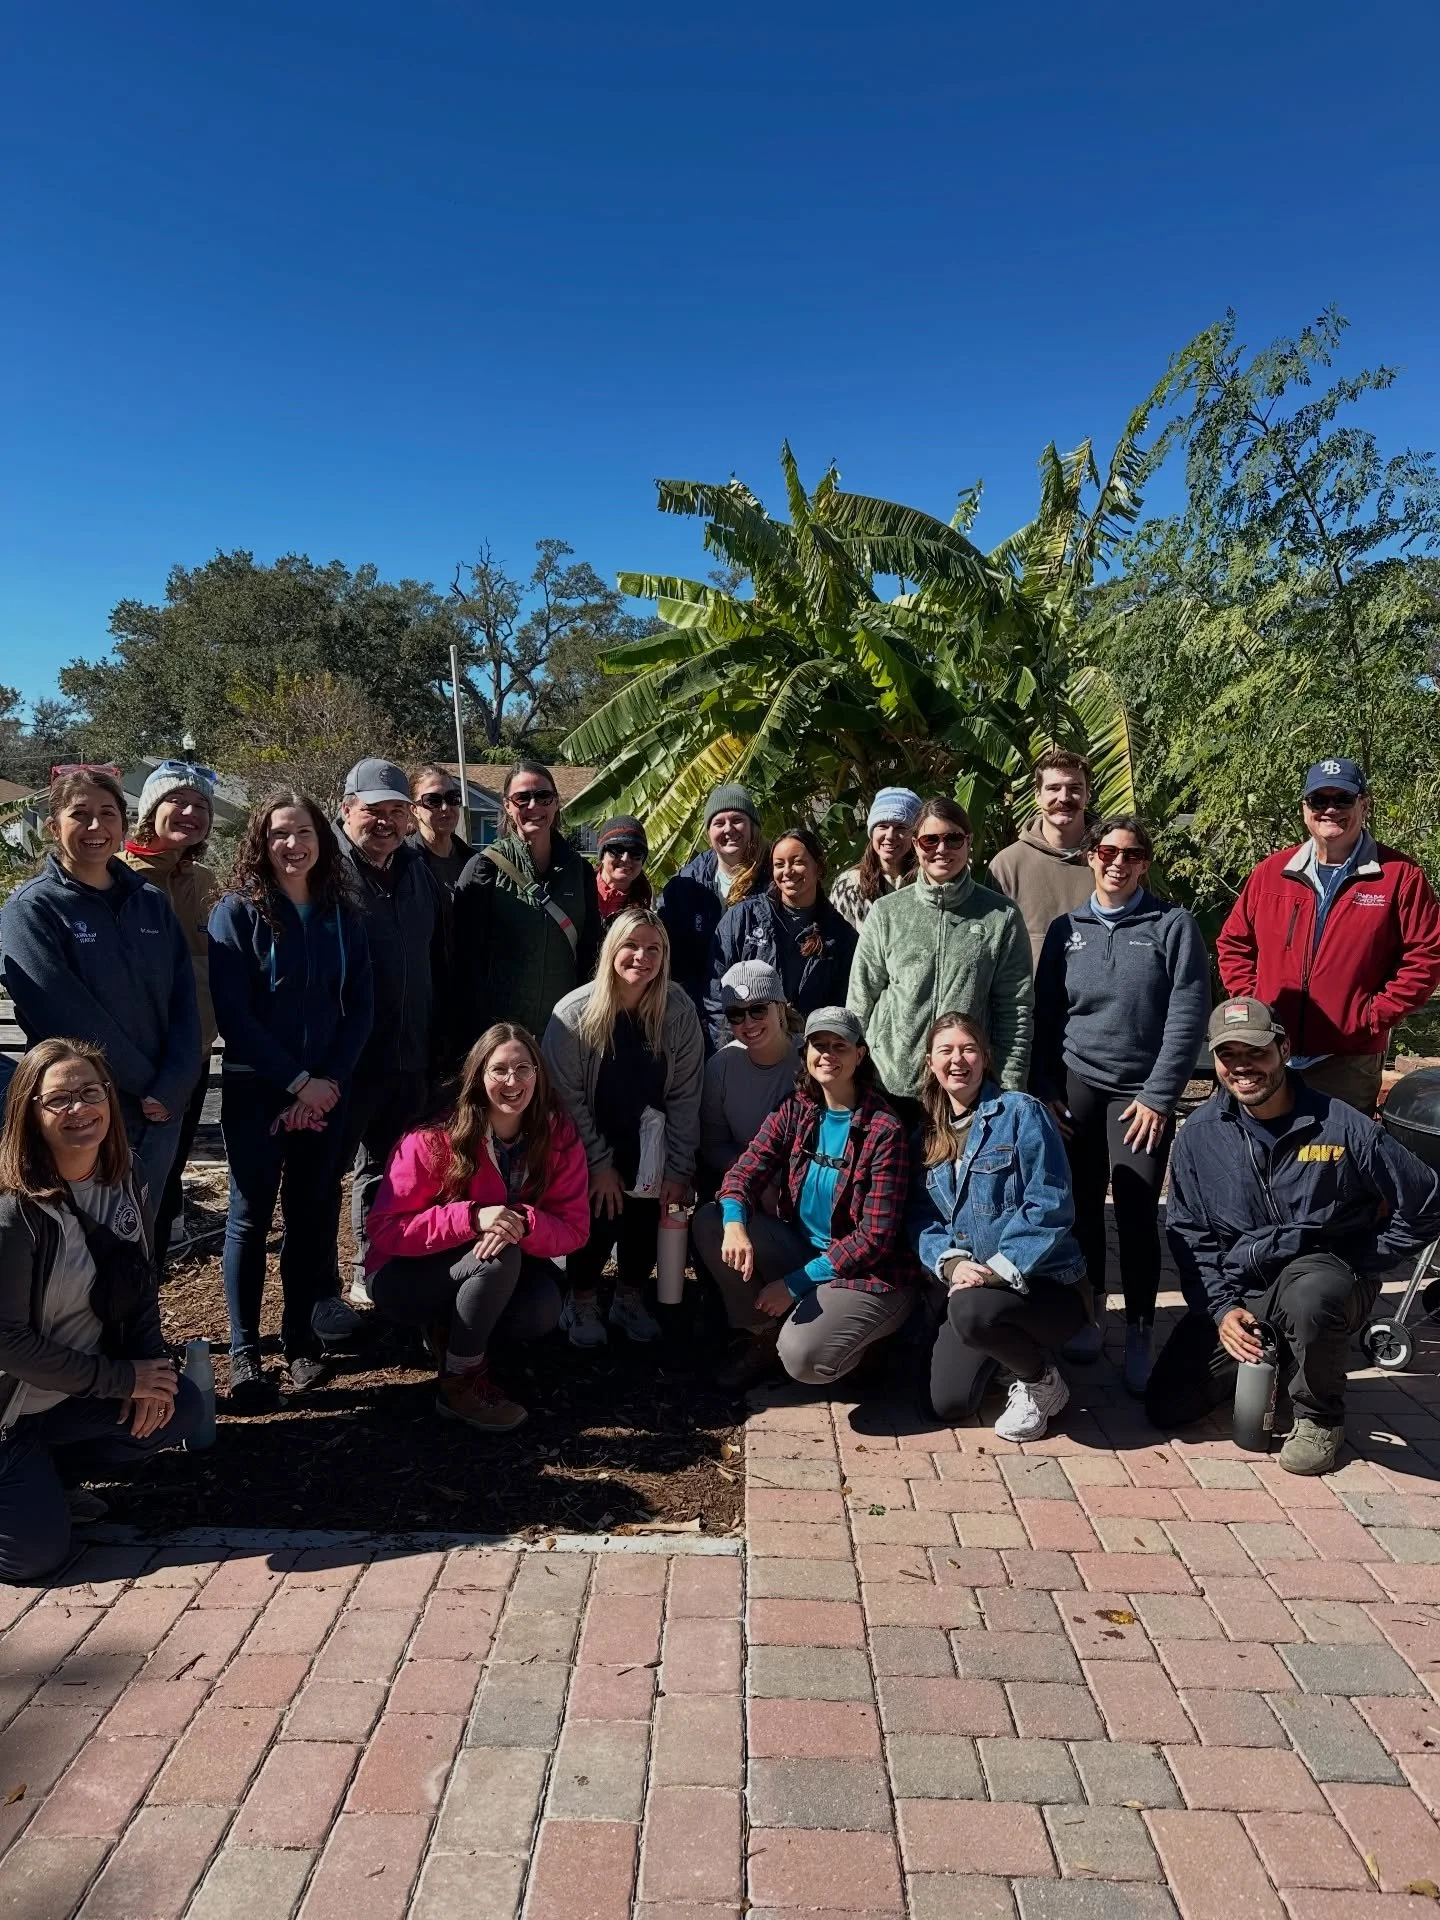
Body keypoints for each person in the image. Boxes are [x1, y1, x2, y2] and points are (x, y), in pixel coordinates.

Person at [1149, 997, 1440, 1474]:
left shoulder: (1342, 1125)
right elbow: (1189, 1233)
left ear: (1284, 1050)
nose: (1243, 1067)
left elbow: (1428, 1203)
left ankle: (1320, 1416)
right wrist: (1222, 1310)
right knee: (1169, 1406)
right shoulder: (1200, 1134)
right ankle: (1282, 1354)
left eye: (1256, 1053)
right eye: (1229, 1055)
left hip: (1323, 1279)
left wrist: (1364, 1259)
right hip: (1247, 1288)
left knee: (1313, 1292)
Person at [0, 1040, 201, 1582]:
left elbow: (138, 1286)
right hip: (6, 1410)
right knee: (32, 1560)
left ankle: (48, 1478)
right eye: (58, 1099)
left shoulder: (125, 1176)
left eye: (91, 1092)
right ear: (29, 1111)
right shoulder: (12, 1212)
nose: (79, 1109)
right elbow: (7, 1343)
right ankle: (27, 1482)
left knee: (178, 1408)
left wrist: (148, 1372)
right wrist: (118, 1379)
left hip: (64, 1397)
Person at [1033, 816, 1210, 1392]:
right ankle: (1088, 1314)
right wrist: (1048, 1088)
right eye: (1107, 851)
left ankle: (1139, 1327)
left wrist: (1161, 1096)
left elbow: (1186, 1017)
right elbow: (1047, 1015)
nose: (1117, 862)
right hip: (1077, 1084)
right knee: (1081, 1206)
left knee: (1135, 1208)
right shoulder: (1067, 928)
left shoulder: (1172, 925)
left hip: (1141, 1093)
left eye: (1131, 855)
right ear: (1090, 857)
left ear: (1144, 864)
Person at [208, 791, 374, 1401]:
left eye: (303, 832)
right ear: (261, 842)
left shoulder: (342, 914)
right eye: (279, 834)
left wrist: (326, 1082)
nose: (292, 845)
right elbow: (236, 1013)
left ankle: (301, 1343)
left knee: (311, 1219)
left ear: (322, 839)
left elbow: (361, 1008)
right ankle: (246, 1354)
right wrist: (296, 1082)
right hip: (260, 1090)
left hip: (329, 1093)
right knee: (250, 1220)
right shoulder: (238, 913)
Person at [367, 1024, 589, 1431]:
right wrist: (472, 1217)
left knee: (542, 1310)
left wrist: (521, 1220)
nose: (512, 1081)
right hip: (406, 1276)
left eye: (524, 1068)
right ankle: (459, 1383)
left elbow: (574, 1228)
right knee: (498, 1255)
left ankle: (455, 1335)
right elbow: (385, 1229)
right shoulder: (433, 1137)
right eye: (499, 1070)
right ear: (478, 1076)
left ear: (539, 1075)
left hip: (490, 1265)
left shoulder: (557, 1133)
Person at [1, 770, 199, 1204]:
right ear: (53, 827)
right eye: (80, 815)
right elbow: (59, 1010)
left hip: (161, 1108)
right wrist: (143, 1084)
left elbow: (185, 998)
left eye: (108, 814)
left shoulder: (149, 901)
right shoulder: (32, 909)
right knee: (81, 1241)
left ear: (123, 825)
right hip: (82, 1110)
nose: (96, 827)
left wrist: (174, 1084)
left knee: (144, 1235)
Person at [700, 1007, 915, 1391]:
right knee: (709, 1222)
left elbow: (874, 1239)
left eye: (840, 1046)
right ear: (806, 1054)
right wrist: (734, 1223)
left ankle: (869, 1348)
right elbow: (745, 1170)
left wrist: (795, 1283)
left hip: (867, 1275)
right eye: (818, 1045)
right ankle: (765, 1335)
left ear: (860, 1055)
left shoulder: (884, 1129)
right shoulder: (798, 1108)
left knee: (804, 1360)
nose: (827, 1054)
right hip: (803, 1249)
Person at [1216, 758, 1440, 1115]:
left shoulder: (1400, 876)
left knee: (1335, 1160)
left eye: (1343, 800)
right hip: (1269, 1051)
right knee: (1262, 1154)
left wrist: (1371, 1016)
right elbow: (1233, 943)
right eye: (1320, 801)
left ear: (1364, 805)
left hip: (1347, 1059)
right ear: (1305, 808)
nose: (1331, 810)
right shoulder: (1272, 873)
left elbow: (1426, 958)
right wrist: (1255, 1002)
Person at [909, 1014, 1089, 1439]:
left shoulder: (1022, 1113)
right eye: (946, 1051)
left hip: (1046, 1286)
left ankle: (1042, 1381)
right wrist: (950, 1263)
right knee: (945, 1403)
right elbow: (920, 1216)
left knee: (970, 1313)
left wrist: (998, 1268)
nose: (958, 1060)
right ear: (930, 1064)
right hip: (972, 1288)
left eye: (968, 1049)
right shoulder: (927, 1137)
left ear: (985, 1058)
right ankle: (1002, 1352)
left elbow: (1051, 1204)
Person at [542, 908, 704, 1348]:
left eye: (654, 949)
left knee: (648, 1214)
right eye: (631, 946)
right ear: (612, 949)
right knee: (600, 1209)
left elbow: (687, 1095)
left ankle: (629, 1297)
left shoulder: (677, 1010)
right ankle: (581, 1299)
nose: (641, 957)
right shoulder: (573, 1015)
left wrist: (679, 1167)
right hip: (587, 1136)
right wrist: (597, 1163)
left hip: (652, 1137)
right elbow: (565, 1099)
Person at [333, 758, 448, 1310]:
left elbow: (435, 954)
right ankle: (322, 1297)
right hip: (348, 1057)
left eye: (397, 811)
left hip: (410, 1049)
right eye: (373, 810)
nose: (385, 822)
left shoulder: (415, 870)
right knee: (335, 1173)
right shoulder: (324, 873)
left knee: (393, 1166)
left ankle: (377, 1267)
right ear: (346, 808)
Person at [848, 797, 1033, 1105]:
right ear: (916, 844)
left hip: (964, 1088)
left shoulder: (1001, 916)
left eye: (953, 838)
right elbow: (860, 998)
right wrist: (856, 1075)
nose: (941, 849)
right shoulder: (888, 912)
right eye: (930, 840)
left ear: (968, 841)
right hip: (889, 1085)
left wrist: (1009, 1088)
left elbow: (1015, 1010)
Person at [120, 760, 223, 1267]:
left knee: (166, 1187)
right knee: (123, 1194)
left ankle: (149, 1312)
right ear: (149, 810)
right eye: (177, 802)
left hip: (194, 1057)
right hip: (133, 1067)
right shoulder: (117, 878)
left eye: (201, 805)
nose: (190, 812)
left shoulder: (206, 883)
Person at [454, 759, 602, 1048]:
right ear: (508, 806)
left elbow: (590, 953)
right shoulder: (484, 869)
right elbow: (464, 963)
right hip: (500, 1036)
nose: (534, 805)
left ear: (556, 803)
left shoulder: (579, 871)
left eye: (543, 796)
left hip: (564, 1034)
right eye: (523, 798)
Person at [705, 826, 858, 1049]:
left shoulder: (841, 936)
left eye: (797, 862)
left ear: (819, 867)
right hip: (745, 1051)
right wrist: (733, 1045)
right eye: (779, 864)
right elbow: (715, 990)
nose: (787, 871)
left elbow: (843, 1008)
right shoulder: (743, 917)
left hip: (807, 1057)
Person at [659, 784, 769, 1026]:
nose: (728, 829)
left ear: (753, 826)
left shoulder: (774, 880)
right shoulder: (685, 885)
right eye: (719, 823)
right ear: (708, 832)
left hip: (758, 1018)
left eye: (737, 820)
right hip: (697, 1018)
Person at [698, 961, 801, 1193]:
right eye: (736, 1014)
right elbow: (714, 1144)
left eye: (758, 1009)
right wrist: (755, 1179)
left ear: (780, 1007)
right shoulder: (719, 1068)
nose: (749, 1022)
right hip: (751, 1187)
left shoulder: (812, 1058)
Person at [988, 748, 1096, 970]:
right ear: (1038, 795)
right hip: (1031, 1002)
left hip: (1101, 1001)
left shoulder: (1113, 860)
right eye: (1053, 788)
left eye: (1075, 788)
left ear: (1088, 795)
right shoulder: (1008, 865)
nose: (1064, 798)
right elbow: (990, 946)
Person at [829, 788, 922, 931]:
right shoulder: (849, 884)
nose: (890, 835)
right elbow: (836, 941)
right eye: (882, 826)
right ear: (872, 833)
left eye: (901, 827)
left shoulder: (927, 882)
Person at [407, 764, 473, 898]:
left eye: (452, 798)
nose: (445, 807)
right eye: (433, 800)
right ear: (415, 810)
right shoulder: (401, 862)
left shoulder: (474, 862)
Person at [595, 815, 653, 922]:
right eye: (617, 850)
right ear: (602, 855)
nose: (625, 859)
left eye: (635, 853)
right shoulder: (579, 888)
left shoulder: (644, 911)